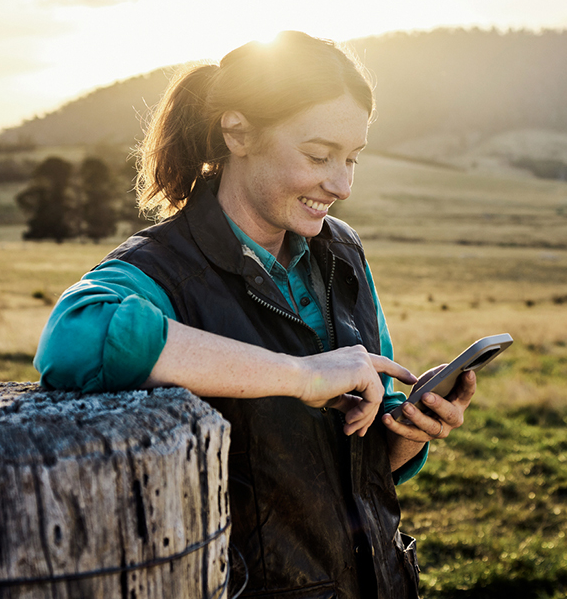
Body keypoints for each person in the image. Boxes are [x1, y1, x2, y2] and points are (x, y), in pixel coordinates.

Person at [34, 31, 477, 599]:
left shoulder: (342, 252)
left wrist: (409, 431)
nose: (341, 185)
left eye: (351, 158)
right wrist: (303, 375)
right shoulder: (165, 267)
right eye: (318, 156)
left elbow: (366, 457)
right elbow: (75, 337)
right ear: (237, 132)